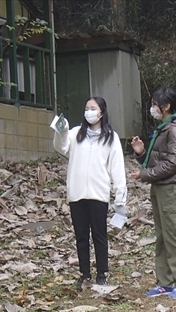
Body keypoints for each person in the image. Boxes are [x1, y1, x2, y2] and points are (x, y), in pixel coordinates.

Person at [53, 97, 127, 290]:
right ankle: (84, 274)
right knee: (81, 236)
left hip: (98, 194)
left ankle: (102, 273)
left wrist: (120, 197)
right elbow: (61, 147)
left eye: (93, 108)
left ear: (101, 112)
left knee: (99, 235)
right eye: (86, 108)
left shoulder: (111, 137)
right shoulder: (77, 133)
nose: (89, 112)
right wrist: (60, 132)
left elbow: (117, 170)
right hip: (77, 194)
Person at [130, 87, 176, 299]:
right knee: (161, 236)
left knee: (172, 235)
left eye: (154, 104)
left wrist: (144, 175)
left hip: (170, 188)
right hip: (159, 187)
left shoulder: (174, 131)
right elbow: (156, 161)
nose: (152, 108)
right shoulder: (164, 128)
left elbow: (172, 164)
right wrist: (141, 153)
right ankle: (166, 282)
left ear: (166, 106)